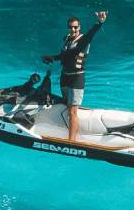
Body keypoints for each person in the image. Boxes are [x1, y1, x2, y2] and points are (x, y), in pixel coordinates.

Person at [42, 12, 107, 144]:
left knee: (72, 111)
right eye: (71, 27)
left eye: (75, 27)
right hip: (64, 77)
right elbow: (64, 56)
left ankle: (71, 142)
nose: (73, 29)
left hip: (77, 79)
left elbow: (76, 50)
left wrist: (99, 23)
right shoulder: (67, 39)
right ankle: (71, 128)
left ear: (79, 27)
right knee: (67, 105)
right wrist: (51, 59)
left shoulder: (83, 40)